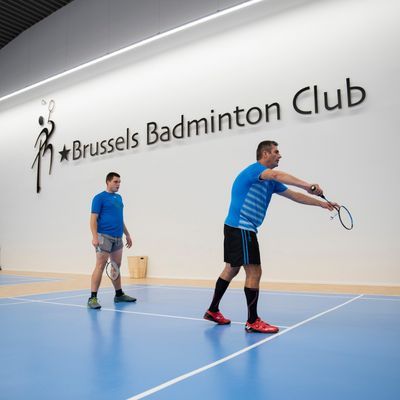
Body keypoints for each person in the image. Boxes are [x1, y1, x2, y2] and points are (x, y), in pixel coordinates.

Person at [204, 140, 337, 333]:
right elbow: (276, 174)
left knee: (231, 269)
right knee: (254, 272)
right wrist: (307, 185)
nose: (279, 155)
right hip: (241, 227)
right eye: (276, 152)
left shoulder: (271, 182)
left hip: (237, 227)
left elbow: (294, 196)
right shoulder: (255, 170)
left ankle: (213, 310)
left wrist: (322, 204)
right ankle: (252, 321)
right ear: (265, 154)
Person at [88, 172, 136, 309]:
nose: (118, 184)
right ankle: (92, 298)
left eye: (119, 182)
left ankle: (119, 294)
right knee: (100, 266)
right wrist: (95, 237)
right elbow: (93, 219)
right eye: (115, 182)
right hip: (104, 236)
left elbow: (120, 219)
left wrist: (127, 234)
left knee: (115, 266)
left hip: (117, 237)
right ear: (108, 182)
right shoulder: (99, 198)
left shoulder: (119, 198)